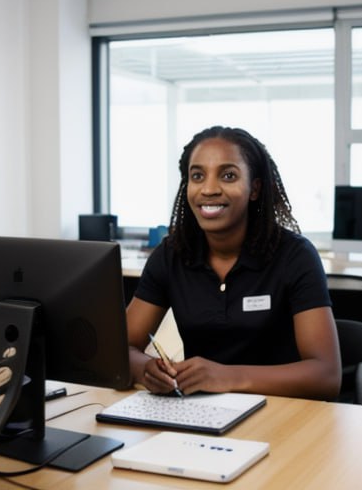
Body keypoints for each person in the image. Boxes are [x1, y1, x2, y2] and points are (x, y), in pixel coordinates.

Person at [126, 126, 341, 400]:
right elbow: (121, 348)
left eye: (228, 176)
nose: (209, 189)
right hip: (199, 410)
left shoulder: (295, 256)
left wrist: (225, 376)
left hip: (281, 412)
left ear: (255, 188)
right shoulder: (172, 254)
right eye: (197, 176)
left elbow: (326, 376)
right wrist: (146, 369)